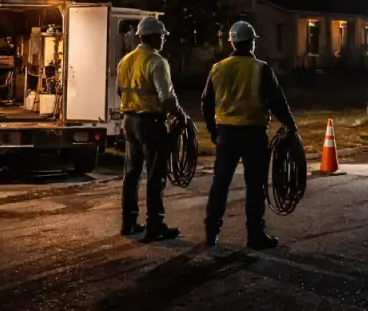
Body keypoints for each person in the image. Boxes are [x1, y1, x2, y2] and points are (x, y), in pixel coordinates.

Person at [202, 20, 299, 250]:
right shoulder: (261, 68)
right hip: (254, 135)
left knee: (220, 184)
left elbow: (206, 102)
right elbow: (277, 101)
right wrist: (290, 126)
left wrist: (214, 131)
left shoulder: (218, 68)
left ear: (233, 42)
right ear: (251, 43)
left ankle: (211, 231)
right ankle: (255, 236)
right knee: (255, 186)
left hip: (227, 134)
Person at [117, 16, 186, 241]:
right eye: (162, 37)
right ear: (154, 37)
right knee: (156, 174)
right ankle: (155, 224)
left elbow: (121, 91)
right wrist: (181, 116)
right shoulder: (157, 61)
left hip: (129, 121)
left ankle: (129, 223)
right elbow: (167, 98)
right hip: (150, 123)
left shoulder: (125, 61)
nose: (164, 41)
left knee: (132, 173)